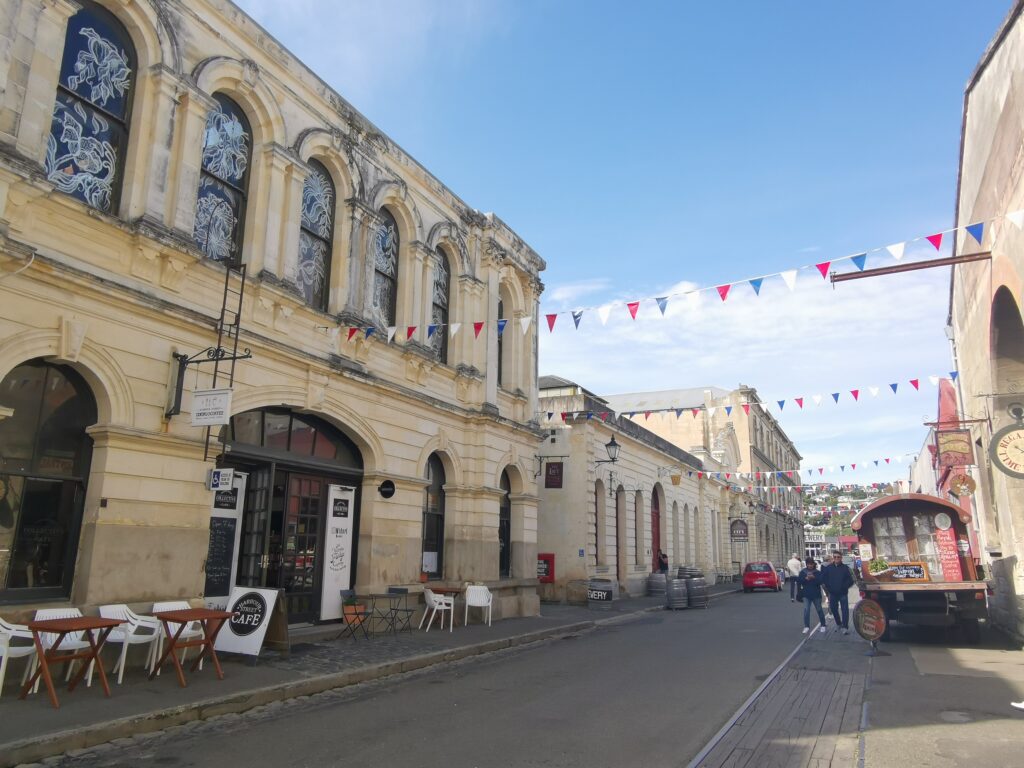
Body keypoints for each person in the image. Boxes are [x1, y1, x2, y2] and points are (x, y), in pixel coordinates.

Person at [821, 550, 855, 635]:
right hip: (833, 593)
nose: (836, 558)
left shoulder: (845, 568)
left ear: (841, 558)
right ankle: (839, 623)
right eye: (835, 557)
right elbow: (824, 579)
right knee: (833, 609)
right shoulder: (828, 568)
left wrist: (844, 587)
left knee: (845, 610)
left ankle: (845, 627)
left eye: (838, 557)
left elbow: (851, 580)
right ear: (833, 558)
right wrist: (829, 588)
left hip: (842, 593)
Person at [798, 557, 827, 634]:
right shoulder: (803, 572)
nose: (810, 566)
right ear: (806, 564)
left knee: (819, 609)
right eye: (808, 564)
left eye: (811, 564)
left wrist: (814, 578)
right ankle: (806, 626)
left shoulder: (817, 572)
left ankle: (823, 625)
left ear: (813, 564)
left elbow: (821, 581)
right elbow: (800, 581)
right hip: (806, 594)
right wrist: (806, 578)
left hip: (816, 594)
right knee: (806, 610)